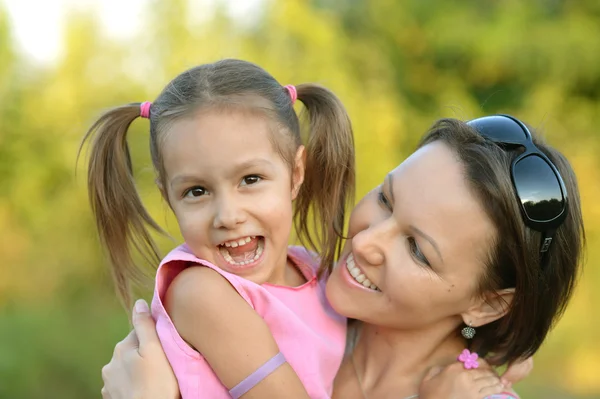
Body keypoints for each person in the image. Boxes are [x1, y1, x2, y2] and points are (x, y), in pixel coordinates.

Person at [102, 114, 581, 398]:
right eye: (387, 200)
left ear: (488, 304)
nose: (367, 242)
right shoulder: (280, 306)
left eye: (416, 249)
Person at [82, 59, 356, 398]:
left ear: (296, 173)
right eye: (196, 191)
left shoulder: (318, 272)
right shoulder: (200, 291)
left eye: (250, 179)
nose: (227, 215)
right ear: (168, 197)